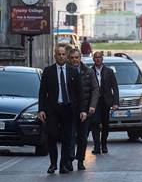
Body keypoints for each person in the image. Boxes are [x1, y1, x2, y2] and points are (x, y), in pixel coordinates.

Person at [38, 46, 84, 174]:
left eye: (63, 54)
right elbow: (42, 92)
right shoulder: (48, 71)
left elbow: (79, 93)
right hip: (52, 109)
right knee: (51, 135)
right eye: (59, 54)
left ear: (66, 56)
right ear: (55, 56)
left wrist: (82, 110)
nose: (61, 56)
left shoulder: (73, 71)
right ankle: (53, 164)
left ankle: (63, 164)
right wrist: (41, 110)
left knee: (67, 138)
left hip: (68, 109)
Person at [68, 49, 99, 171]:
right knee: (70, 136)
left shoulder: (88, 71)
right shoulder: (66, 72)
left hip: (85, 111)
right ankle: (69, 160)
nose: (75, 60)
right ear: (69, 59)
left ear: (80, 58)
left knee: (82, 137)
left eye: (77, 57)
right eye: (72, 58)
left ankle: (80, 160)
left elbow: (95, 89)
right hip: (70, 110)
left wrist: (92, 106)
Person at [90, 51, 119, 154]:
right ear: (93, 59)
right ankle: (97, 146)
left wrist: (116, 102)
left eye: (99, 57)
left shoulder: (109, 71)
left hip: (106, 101)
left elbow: (115, 87)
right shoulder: (90, 71)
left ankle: (104, 144)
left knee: (105, 124)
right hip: (95, 102)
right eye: (96, 57)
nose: (97, 59)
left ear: (102, 59)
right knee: (95, 124)